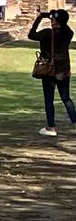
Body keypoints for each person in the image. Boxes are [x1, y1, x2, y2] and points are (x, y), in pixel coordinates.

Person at [29, 8, 75, 137]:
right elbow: (65, 26)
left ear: (55, 21)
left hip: (49, 70)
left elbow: (31, 34)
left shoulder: (46, 34)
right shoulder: (68, 34)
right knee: (66, 98)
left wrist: (40, 17)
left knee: (49, 100)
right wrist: (56, 16)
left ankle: (51, 127)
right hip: (63, 70)